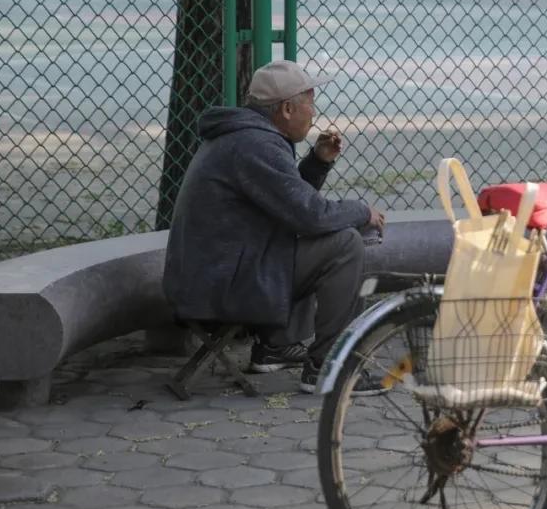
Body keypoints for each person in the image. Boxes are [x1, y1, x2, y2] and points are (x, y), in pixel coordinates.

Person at [162, 60, 386, 393]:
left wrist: (317, 162)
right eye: (310, 103)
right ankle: (330, 367)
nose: (313, 112)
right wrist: (361, 210)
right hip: (218, 285)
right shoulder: (257, 145)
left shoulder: (246, 136)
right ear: (286, 109)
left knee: (301, 234)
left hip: (212, 274)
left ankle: (277, 346)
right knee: (344, 244)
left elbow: (288, 202)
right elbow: (311, 214)